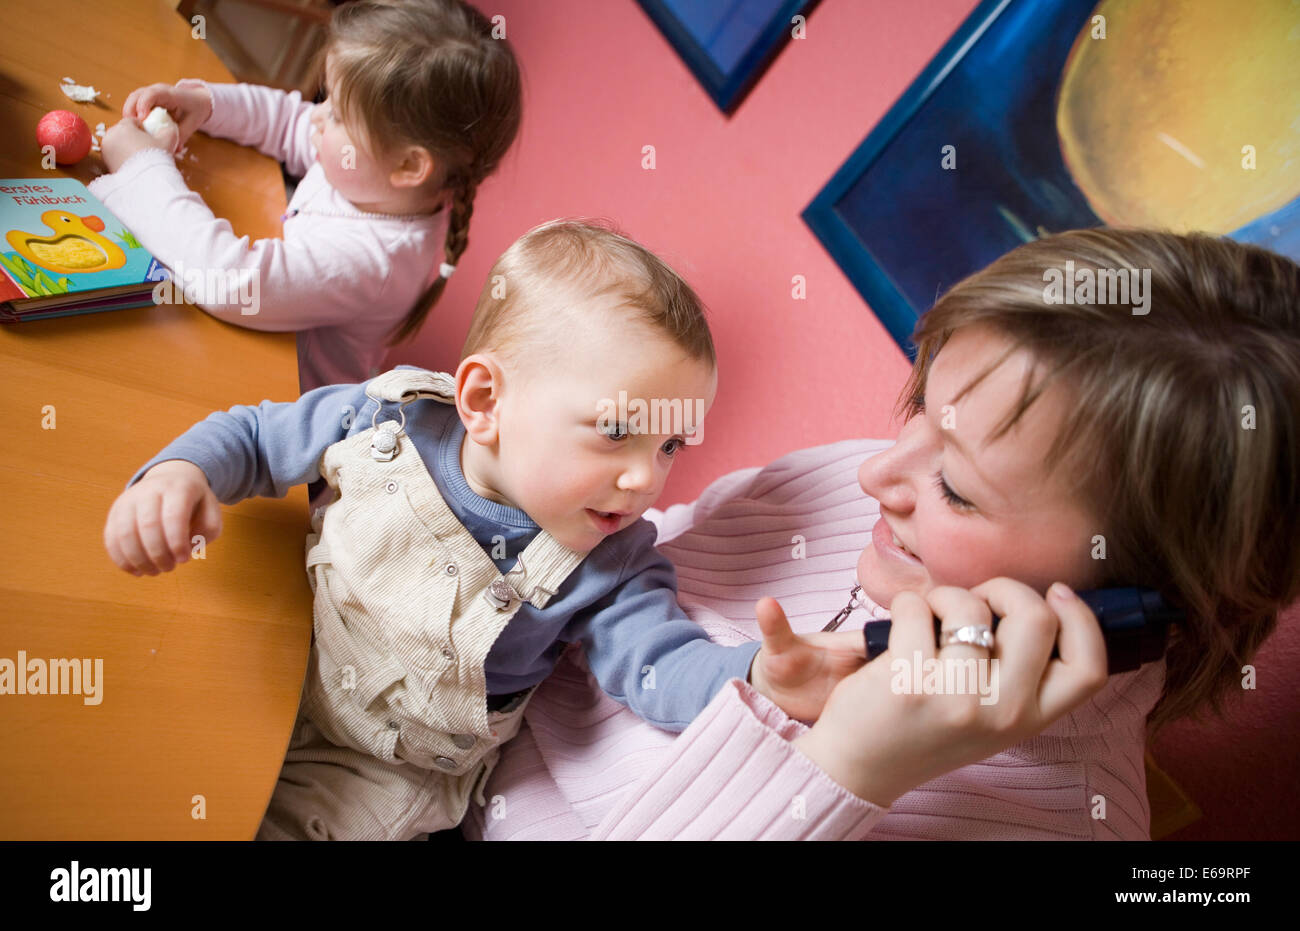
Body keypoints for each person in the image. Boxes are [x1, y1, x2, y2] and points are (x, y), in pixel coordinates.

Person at [463, 228, 1300, 840]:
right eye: (920, 411)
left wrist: (844, 769)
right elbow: (603, 566)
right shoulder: (849, 487)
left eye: (957, 488)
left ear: (1137, 602)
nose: (875, 474)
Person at [100, 219, 869, 840]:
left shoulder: (612, 563)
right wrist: (180, 475)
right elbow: (257, 437)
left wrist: (758, 677)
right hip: (286, 643)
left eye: (670, 445)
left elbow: (662, 670)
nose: (648, 479)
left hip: (381, 768)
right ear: (483, 400)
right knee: (138, 746)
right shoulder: (387, 416)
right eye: (616, 433)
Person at [90, 0, 521, 392]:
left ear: (409, 166)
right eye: (326, 97)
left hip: (275, 401)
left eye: (335, 112)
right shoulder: (375, 176)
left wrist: (141, 168)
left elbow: (230, 280)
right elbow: (290, 124)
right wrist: (206, 103)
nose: (315, 116)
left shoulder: (374, 260)